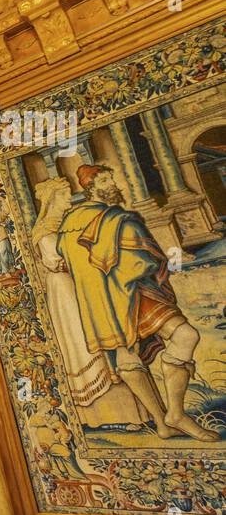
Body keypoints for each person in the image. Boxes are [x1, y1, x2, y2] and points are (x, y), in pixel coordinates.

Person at [53, 164, 217, 441]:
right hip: (130, 295)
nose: (114, 183)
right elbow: (142, 261)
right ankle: (166, 420)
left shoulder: (69, 225)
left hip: (102, 305)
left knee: (153, 348)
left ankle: (171, 416)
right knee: (174, 340)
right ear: (90, 187)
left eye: (112, 177)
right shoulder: (118, 220)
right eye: (106, 179)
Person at [31, 177, 143, 430]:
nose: (69, 200)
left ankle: (127, 409)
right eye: (64, 195)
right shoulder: (44, 231)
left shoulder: (67, 224)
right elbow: (56, 262)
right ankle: (101, 412)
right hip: (65, 290)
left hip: (80, 285)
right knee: (83, 342)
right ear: (52, 200)